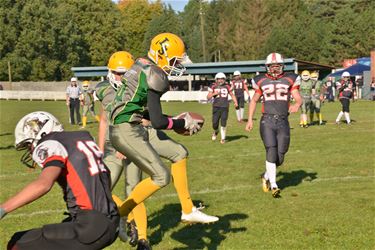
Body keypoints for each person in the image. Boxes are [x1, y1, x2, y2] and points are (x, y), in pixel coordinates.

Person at [108, 34, 215, 239]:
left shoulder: (140, 64)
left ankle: (187, 209)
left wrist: (174, 120)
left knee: (179, 152)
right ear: (162, 55)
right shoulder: (155, 74)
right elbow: (157, 122)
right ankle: (120, 215)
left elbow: (148, 114)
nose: (177, 66)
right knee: (161, 176)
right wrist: (181, 123)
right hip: (126, 130)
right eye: (175, 61)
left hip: (129, 127)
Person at [0, 111, 119, 250]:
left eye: (29, 145)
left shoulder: (52, 143)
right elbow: (106, 175)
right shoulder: (82, 138)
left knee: (18, 243)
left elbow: (44, 184)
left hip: (91, 227)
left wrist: (3, 209)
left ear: (41, 133)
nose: (30, 150)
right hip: (111, 220)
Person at [245, 52, 302, 198]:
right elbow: (253, 100)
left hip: (283, 120)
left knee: (280, 156)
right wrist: (250, 119)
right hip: (267, 120)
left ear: (282, 66)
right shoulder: (260, 80)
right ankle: (275, 185)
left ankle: (266, 176)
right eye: (272, 66)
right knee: (271, 149)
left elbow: (297, 97)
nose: (275, 69)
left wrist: (297, 104)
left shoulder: (291, 78)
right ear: (267, 67)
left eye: (277, 66)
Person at [207, 72, 239, 144]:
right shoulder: (213, 86)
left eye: (222, 79)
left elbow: (232, 95)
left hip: (225, 107)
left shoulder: (227, 86)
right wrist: (214, 94)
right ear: (216, 79)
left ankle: (223, 138)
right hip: (216, 107)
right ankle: (216, 131)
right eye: (219, 79)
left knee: (223, 123)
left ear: (224, 79)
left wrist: (235, 102)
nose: (220, 80)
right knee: (215, 123)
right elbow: (208, 97)